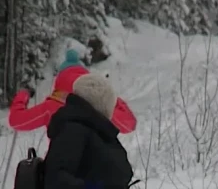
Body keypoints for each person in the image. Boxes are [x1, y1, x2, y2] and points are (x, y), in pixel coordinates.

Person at [8, 49, 137, 134]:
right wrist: (113, 99)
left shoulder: (52, 106)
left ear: (60, 78)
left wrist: (22, 96)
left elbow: (17, 121)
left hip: (61, 167)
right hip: (94, 170)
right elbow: (128, 125)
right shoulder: (97, 102)